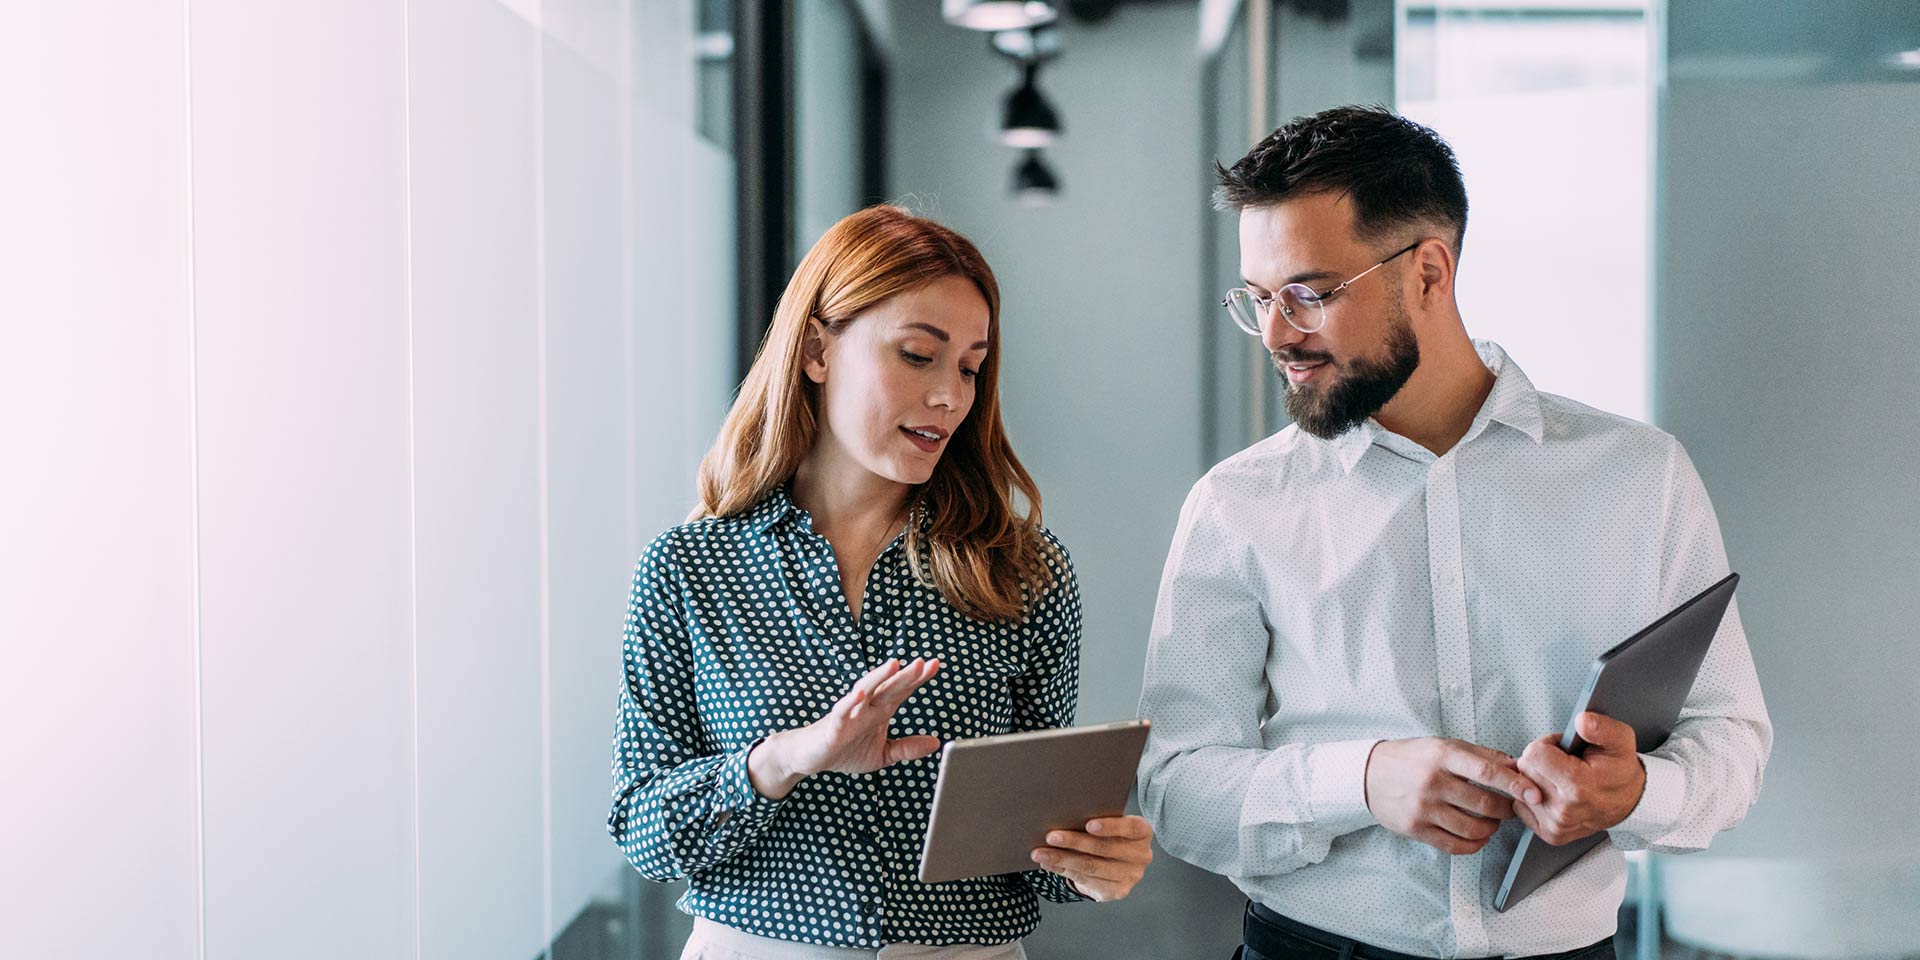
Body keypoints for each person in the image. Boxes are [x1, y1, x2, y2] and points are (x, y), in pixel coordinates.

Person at [1135, 106, 1771, 960]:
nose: (1279, 334)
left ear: (1429, 272)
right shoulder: (1236, 504)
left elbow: (1730, 739)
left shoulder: (1640, 476)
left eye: (1310, 294)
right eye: (1259, 299)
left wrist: (1636, 793)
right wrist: (1362, 780)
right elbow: (1175, 788)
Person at [609, 205, 1153, 960]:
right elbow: (644, 832)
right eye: (917, 355)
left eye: (969, 367)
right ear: (816, 351)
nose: (951, 396)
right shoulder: (688, 568)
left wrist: (1093, 861)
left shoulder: (1023, 570)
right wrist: (781, 760)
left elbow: (1036, 847)